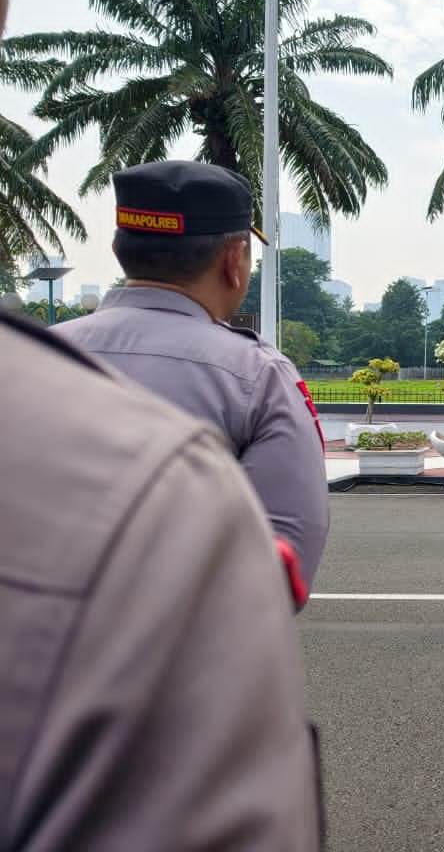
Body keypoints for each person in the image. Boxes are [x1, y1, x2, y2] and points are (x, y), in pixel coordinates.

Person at [1, 311, 324, 850]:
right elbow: (292, 546)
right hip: (182, 668)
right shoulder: (256, 373)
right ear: (233, 268)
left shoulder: (42, 356)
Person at [52, 160, 329, 610]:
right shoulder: (258, 377)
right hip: (186, 645)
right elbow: (283, 565)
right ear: (233, 261)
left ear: (118, 248)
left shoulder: (24, 357)